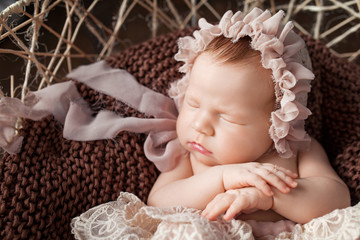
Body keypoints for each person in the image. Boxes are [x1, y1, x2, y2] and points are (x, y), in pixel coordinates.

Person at [147, 8, 350, 225]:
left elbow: (337, 200)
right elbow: (158, 202)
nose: (199, 125)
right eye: (193, 103)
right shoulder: (191, 156)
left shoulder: (294, 152)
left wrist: (270, 197)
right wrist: (221, 179)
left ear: (279, 121)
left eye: (227, 117)